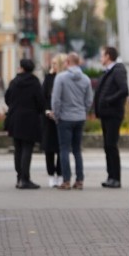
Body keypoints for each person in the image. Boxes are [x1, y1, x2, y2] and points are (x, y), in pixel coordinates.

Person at [51, 52, 93, 191]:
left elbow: (56, 99)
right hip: (79, 117)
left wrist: (56, 115)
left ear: (67, 62)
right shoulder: (86, 79)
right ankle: (80, 180)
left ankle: (66, 180)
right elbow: (89, 100)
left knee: (64, 149)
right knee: (77, 150)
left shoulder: (60, 78)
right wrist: (83, 111)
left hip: (64, 118)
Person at [4, 58, 45, 189]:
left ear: (21, 68)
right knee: (27, 148)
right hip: (30, 119)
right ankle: (25, 179)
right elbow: (41, 102)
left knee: (18, 149)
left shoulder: (14, 82)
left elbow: (7, 98)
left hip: (15, 119)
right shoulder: (35, 82)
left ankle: (19, 177)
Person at [94, 46, 129, 188]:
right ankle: (111, 177)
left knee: (111, 145)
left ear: (108, 56)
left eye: (102, 55)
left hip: (113, 114)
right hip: (106, 114)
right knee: (107, 146)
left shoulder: (118, 70)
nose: (101, 58)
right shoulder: (108, 71)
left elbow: (124, 90)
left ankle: (116, 178)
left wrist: (108, 100)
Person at [41, 54, 67, 188]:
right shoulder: (48, 78)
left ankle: (61, 174)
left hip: (62, 117)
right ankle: (51, 175)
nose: (53, 66)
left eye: (55, 63)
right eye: (52, 63)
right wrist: (47, 111)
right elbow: (43, 96)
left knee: (61, 148)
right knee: (49, 149)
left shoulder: (65, 78)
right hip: (48, 119)